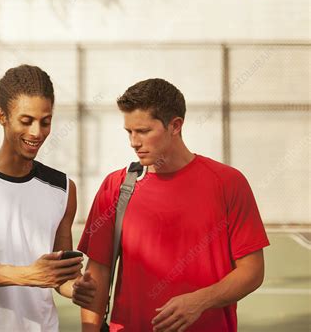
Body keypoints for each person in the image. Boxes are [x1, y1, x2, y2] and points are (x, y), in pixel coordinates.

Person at [78, 78, 269, 332]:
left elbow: (252, 271)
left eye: (144, 131)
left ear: (175, 125)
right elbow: (98, 275)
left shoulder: (228, 183)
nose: (134, 142)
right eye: (129, 132)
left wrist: (200, 301)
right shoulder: (116, 187)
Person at [0, 65, 96, 331]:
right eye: (26, 121)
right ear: (2, 116)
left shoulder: (63, 189)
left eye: (45, 121)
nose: (37, 132)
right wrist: (28, 275)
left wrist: (77, 287)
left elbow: (61, 278)